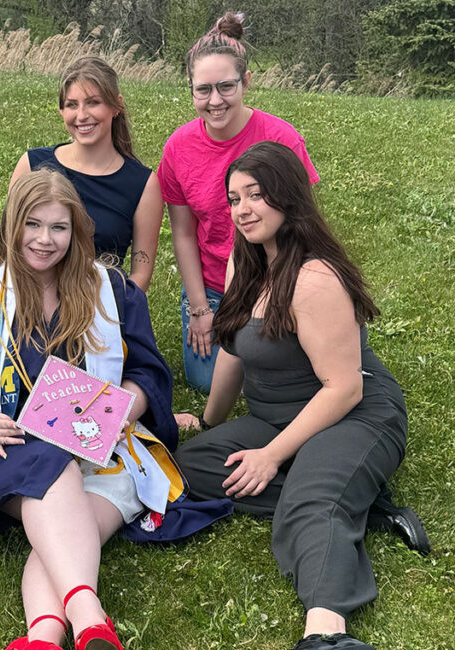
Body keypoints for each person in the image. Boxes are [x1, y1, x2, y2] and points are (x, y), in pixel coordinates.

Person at [0, 169, 229, 650]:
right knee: (48, 461)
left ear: (77, 233)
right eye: (32, 225)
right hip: (12, 451)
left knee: (73, 526)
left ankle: (45, 634)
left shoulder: (111, 292)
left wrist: (124, 411)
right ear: (11, 227)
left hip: (103, 447)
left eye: (59, 228)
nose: (44, 241)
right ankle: (88, 613)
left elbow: (147, 374)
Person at [174, 142, 413, 650]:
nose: (243, 208)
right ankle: (360, 509)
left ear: (288, 196)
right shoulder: (247, 259)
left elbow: (344, 387)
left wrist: (273, 454)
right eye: (234, 198)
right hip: (278, 417)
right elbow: (233, 346)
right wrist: (211, 422)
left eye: (257, 195)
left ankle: (327, 634)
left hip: (352, 415)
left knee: (310, 496)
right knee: (194, 465)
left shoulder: (315, 278)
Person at [158, 12, 318, 395]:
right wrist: (200, 309)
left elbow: (303, 222)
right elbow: (182, 233)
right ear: (190, 89)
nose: (215, 101)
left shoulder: (281, 137)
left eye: (226, 87)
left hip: (274, 277)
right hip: (214, 285)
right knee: (205, 382)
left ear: (246, 82)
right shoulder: (178, 147)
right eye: (203, 90)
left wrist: (281, 295)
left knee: (284, 375)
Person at [10, 56, 162, 291]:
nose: (81, 115)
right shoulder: (31, 164)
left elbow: (141, 273)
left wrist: (112, 311)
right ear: (61, 110)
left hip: (100, 311)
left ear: (116, 106)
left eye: (93, 102)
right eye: (72, 104)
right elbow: (10, 244)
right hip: (31, 301)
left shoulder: (142, 184)